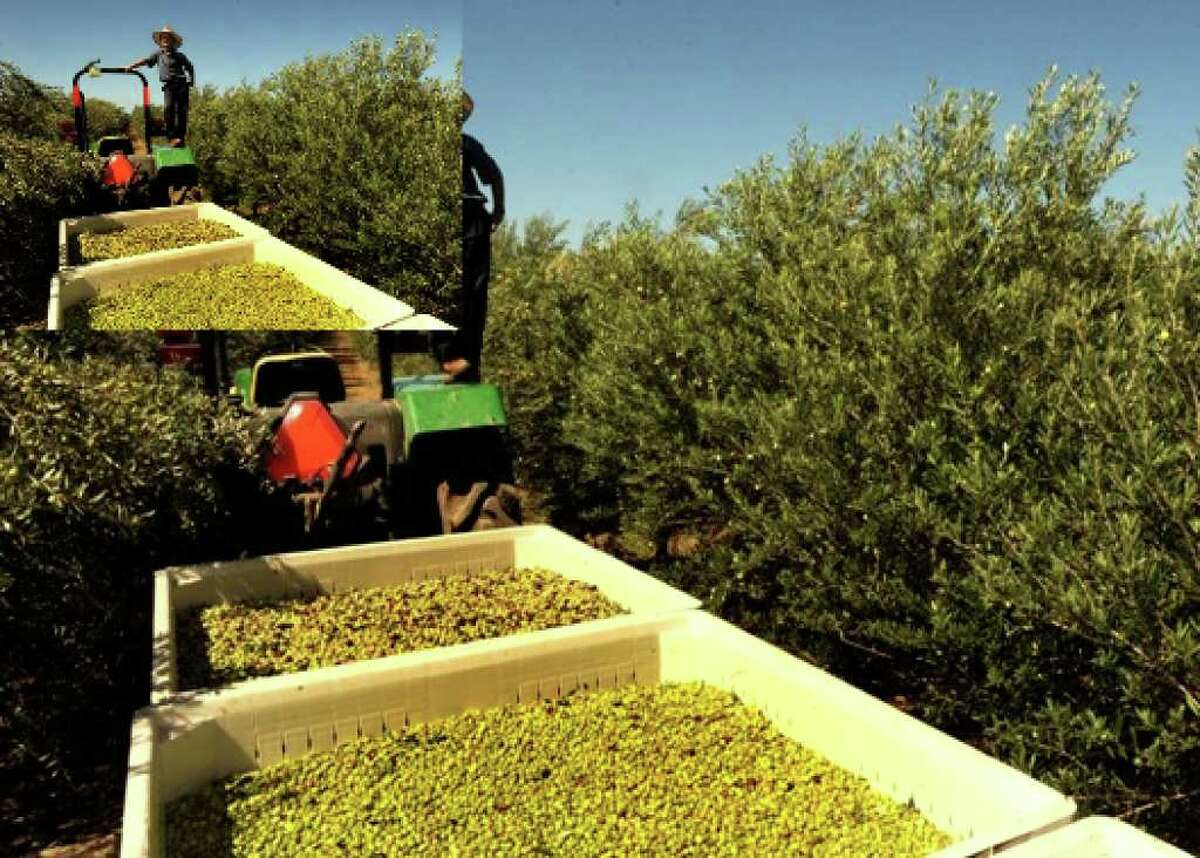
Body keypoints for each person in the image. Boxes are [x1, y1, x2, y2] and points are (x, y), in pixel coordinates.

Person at [443, 91, 505, 383]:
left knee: (458, 291)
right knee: (471, 292)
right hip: (470, 218)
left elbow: (494, 175)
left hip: (463, 219)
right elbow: (495, 175)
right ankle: (463, 358)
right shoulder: (465, 143)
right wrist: (498, 210)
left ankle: (457, 357)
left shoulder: (463, 144)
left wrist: (497, 210)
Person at [125, 25, 194, 147]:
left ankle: (180, 138)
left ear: (172, 40)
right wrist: (131, 66)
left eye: (168, 38)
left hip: (182, 85)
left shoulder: (179, 56)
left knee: (182, 112)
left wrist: (191, 81)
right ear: (161, 40)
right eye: (163, 38)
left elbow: (190, 67)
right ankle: (171, 137)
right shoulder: (158, 54)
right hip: (169, 86)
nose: (165, 40)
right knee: (168, 108)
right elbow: (146, 61)